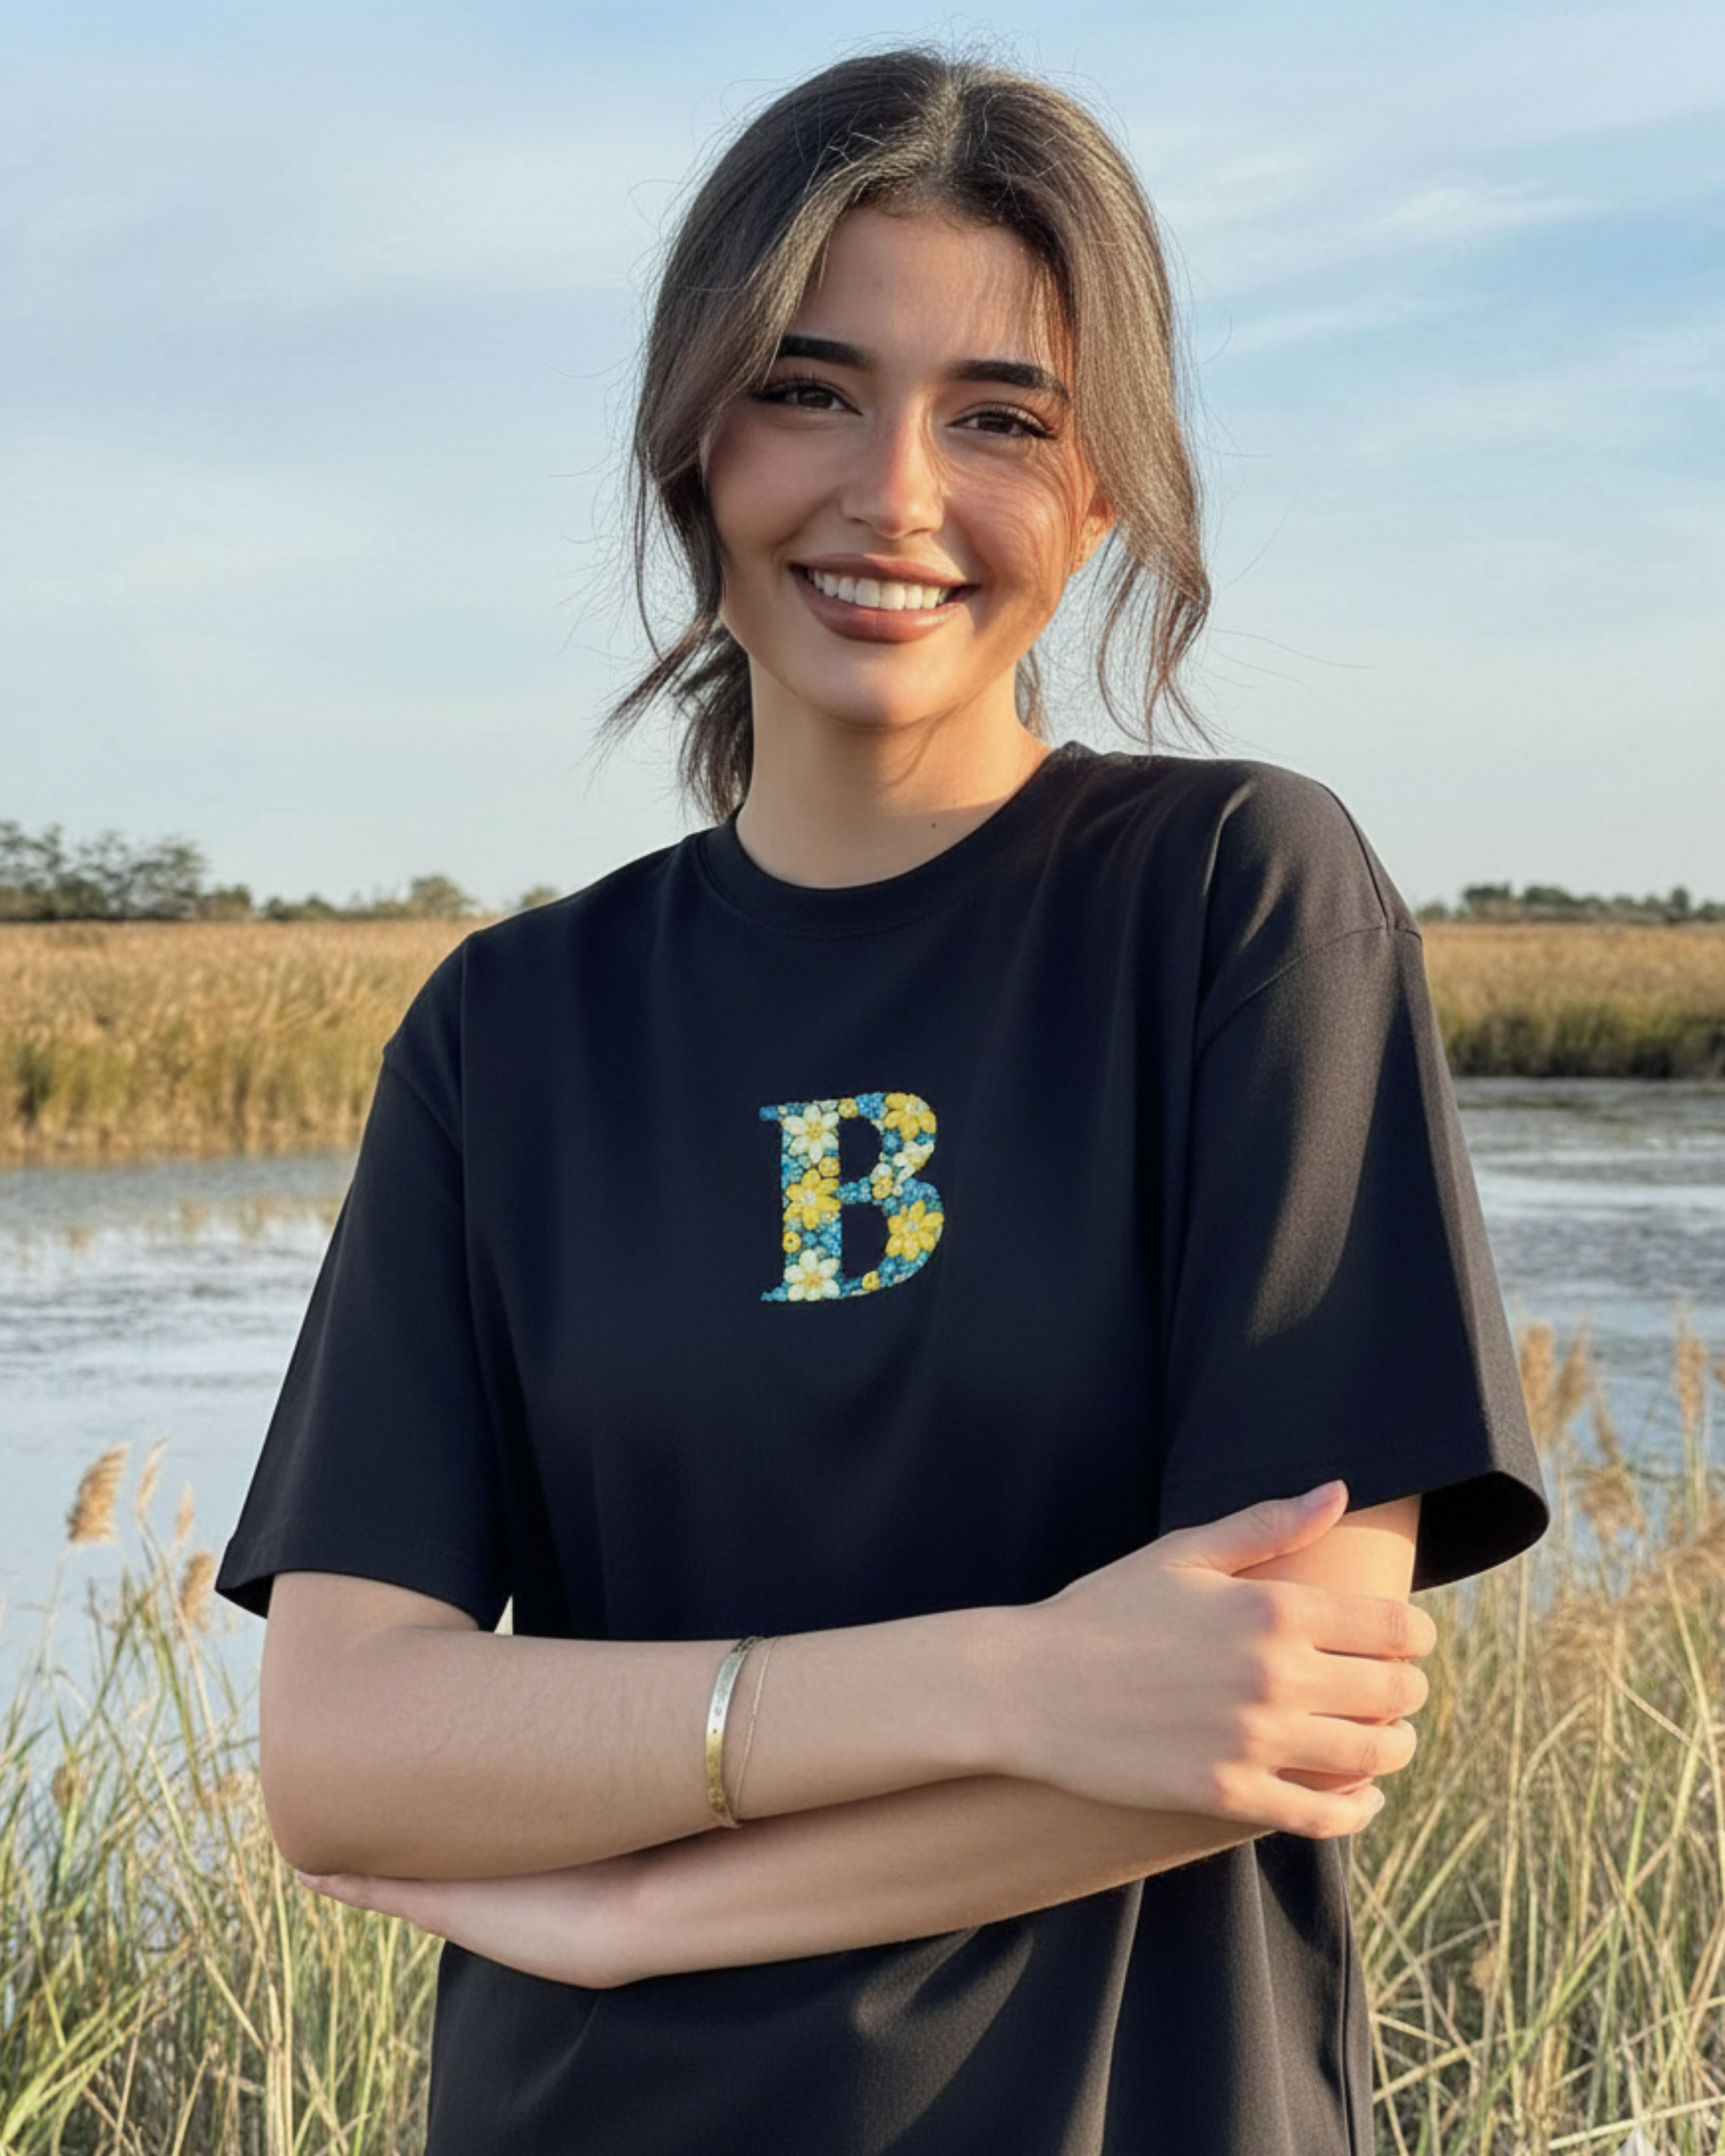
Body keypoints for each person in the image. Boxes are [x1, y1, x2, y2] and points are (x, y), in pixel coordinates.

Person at [217, 47, 1548, 2156]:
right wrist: (1005, 1681)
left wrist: (649, 1909)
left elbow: (1267, 1705)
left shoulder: (1242, 910)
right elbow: (349, 1745)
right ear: (694, 440)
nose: (898, 491)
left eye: (1000, 416)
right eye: (809, 387)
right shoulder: (510, 1030)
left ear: (1105, 490)